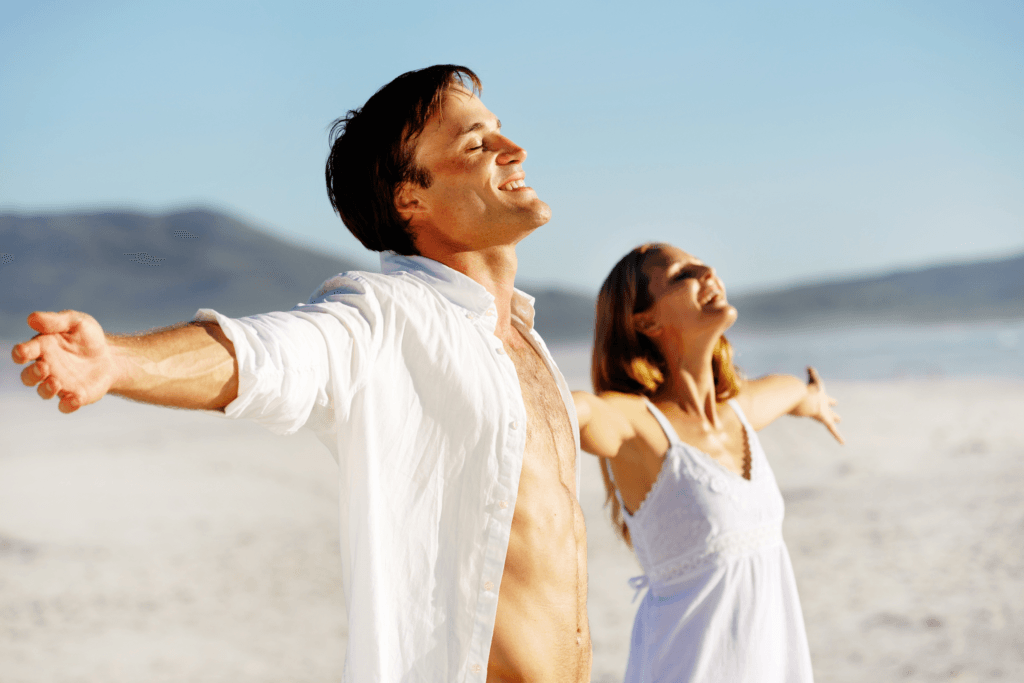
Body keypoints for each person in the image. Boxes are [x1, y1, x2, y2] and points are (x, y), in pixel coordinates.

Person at [11, 66, 590, 682]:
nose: (512, 148)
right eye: (475, 144)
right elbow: (276, 353)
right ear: (409, 198)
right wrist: (119, 361)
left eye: (498, 130)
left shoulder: (526, 340)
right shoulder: (385, 317)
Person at [573, 243, 843, 683]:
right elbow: (581, 412)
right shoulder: (639, 425)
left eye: (704, 265)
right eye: (683, 274)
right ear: (646, 321)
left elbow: (792, 389)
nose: (708, 271)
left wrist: (812, 400)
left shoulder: (740, 410)